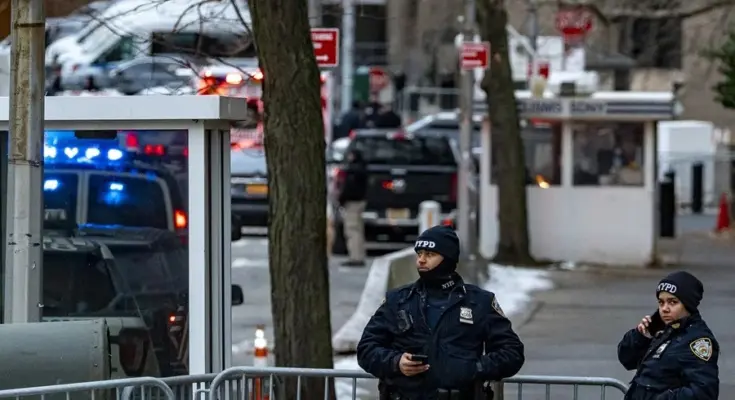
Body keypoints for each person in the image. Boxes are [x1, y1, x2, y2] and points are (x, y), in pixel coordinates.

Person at [357, 225, 525, 399]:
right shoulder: (397, 300)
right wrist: (396, 362)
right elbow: (366, 349)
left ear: (448, 258)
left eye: (430, 254)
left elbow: (512, 353)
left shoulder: (479, 302)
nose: (421, 260)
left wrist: (474, 368)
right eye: (419, 254)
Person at [617, 271, 719, 400]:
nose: (665, 308)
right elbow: (626, 359)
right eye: (661, 302)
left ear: (688, 305)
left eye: (673, 302)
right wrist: (642, 336)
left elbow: (704, 392)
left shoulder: (697, 341)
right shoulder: (662, 330)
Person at [338, 149, 368, 267]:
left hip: (352, 203)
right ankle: (360, 254)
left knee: (351, 230)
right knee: (358, 230)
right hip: (360, 201)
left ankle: (355, 257)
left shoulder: (352, 172)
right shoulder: (362, 169)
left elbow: (348, 188)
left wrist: (342, 199)